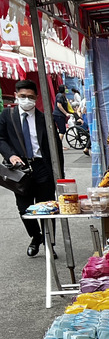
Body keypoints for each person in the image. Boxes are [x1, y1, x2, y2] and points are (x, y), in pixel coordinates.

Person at [0, 80, 62, 256]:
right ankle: (36, 237)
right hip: (20, 169)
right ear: (16, 96)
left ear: (36, 98)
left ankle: (50, 244)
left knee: (47, 208)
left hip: (42, 167)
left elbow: (56, 146)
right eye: (23, 96)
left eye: (30, 97)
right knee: (24, 208)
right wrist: (10, 155)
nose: (26, 100)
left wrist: (60, 175)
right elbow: (1, 138)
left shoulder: (45, 118)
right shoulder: (7, 115)